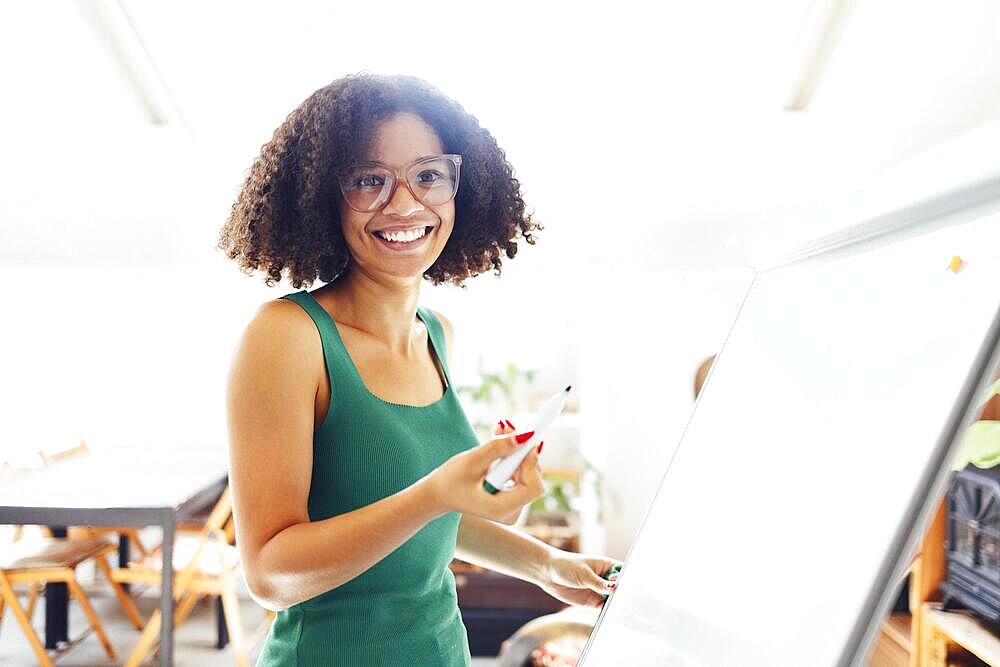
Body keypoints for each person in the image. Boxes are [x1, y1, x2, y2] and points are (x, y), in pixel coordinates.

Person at [219, 74, 622, 666]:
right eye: (369, 180)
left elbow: (425, 527)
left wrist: (547, 564)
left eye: (429, 175)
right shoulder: (287, 337)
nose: (405, 203)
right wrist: (434, 493)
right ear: (324, 197)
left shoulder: (436, 335)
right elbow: (269, 574)